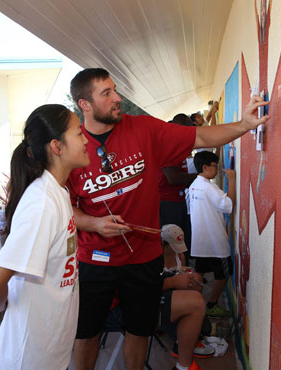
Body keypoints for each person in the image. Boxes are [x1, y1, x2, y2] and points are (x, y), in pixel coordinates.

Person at [66, 67, 269, 370]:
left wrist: (244, 125)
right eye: (106, 93)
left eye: (115, 89)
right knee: (86, 334)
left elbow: (199, 135)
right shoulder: (73, 145)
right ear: (85, 104)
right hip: (96, 261)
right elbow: (66, 208)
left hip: (144, 258)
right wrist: (94, 223)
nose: (117, 98)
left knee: (140, 329)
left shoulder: (143, 129)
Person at [0, 104, 90, 370]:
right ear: (57, 146)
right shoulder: (41, 203)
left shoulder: (58, 193)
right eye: (79, 133)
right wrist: (2, 306)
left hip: (49, 352)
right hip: (27, 359)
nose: (86, 139)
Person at [160, 224, 214, 370]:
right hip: (162, 299)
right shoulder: (156, 259)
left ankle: (183, 346)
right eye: (173, 247)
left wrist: (193, 282)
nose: (176, 251)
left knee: (204, 326)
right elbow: (150, 287)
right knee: (197, 317)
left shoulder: (180, 256)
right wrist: (174, 281)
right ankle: (182, 349)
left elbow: (183, 275)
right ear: (164, 244)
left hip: (175, 295)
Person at [188, 151, 235, 317]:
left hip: (200, 239)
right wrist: (232, 180)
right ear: (205, 167)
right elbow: (228, 206)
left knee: (199, 272)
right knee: (224, 273)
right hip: (214, 240)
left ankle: (195, 304)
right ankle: (212, 303)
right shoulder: (209, 186)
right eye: (216, 166)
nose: (218, 170)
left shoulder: (194, 185)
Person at [159, 113, 197, 258]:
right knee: (172, 241)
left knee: (183, 239)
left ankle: (184, 270)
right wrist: (200, 178)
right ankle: (174, 273)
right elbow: (173, 178)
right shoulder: (167, 148)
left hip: (178, 201)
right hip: (167, 204)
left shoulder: (178, 148)